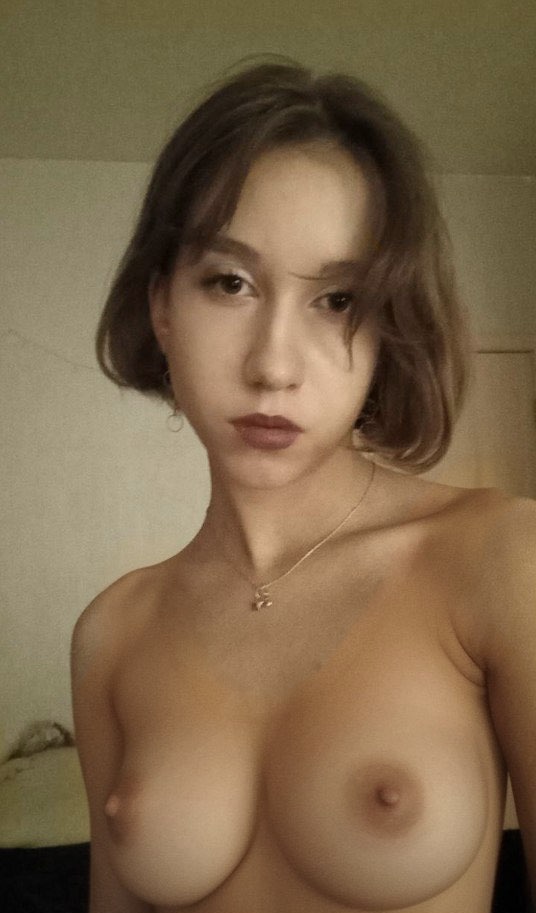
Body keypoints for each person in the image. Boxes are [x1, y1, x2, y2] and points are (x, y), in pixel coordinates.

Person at [71, 59, 536, 913]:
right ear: (163, 306)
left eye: (339, 300)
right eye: (230, 282)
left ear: (390, 326)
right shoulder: (112, 633)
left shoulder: (501, 560)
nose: (274, 365)